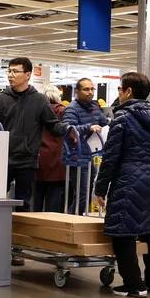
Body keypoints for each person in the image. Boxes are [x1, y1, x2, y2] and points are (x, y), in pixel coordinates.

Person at [0, 57, 71, 266]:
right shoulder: (0, 100)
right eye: (9, 71)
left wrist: (67, 128)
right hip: (2, 160)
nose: (11, 74)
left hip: (27, 160)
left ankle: (18, 249)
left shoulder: (39, 101)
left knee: (24, 205)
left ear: (28, 75)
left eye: (16, 71)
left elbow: (52, 124)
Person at [95, 72, 150, 297]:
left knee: (122, 231)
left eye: (119, 89)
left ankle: (134, 284)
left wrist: (100, 188)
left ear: (129, 91)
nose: (118, 93)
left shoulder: (122, 118)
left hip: (128, 178)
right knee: (147, 228)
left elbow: (111, 157)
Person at [62, 78, 109, 215]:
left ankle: (75, 219)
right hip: (76, 157)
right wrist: (89, 127)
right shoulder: (71, 109)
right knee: (81, 195)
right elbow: (69, 130)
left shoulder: (94, 108)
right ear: (77, 91)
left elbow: (104, 122)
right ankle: (71, 221)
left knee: (88, 192)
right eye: (86, 89)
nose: (90, 92)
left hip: (89, 156)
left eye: (92, 89)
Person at [34, 84, 66, 213]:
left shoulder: (36, 110)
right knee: (54, 201)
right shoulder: (63, 111)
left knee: (35, 199)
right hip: (57, 160)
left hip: (38, 157)